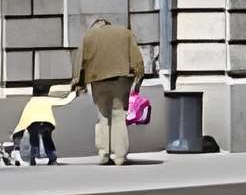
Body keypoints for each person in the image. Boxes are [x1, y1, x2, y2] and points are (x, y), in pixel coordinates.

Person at [70, 18, 145, 169]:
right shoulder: (125, 33)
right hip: (122, 79)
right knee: (119, 115)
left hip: (98, 80)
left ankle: (103, 154)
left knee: (102, 116)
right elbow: (137, 58)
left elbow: (80, 61)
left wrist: (78, 83)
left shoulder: (89, 36)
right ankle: (119, 156)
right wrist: (139, 78)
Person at [4, 77, 69, 165]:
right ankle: (52, 158)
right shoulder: (47, 99)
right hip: (47, 123)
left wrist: (17, 131)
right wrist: (74, 93)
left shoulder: (31, 102)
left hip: (34, 124)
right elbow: (64, 101)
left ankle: (33, 158)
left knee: (34, 139)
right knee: (47, 138)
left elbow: (24, 118)